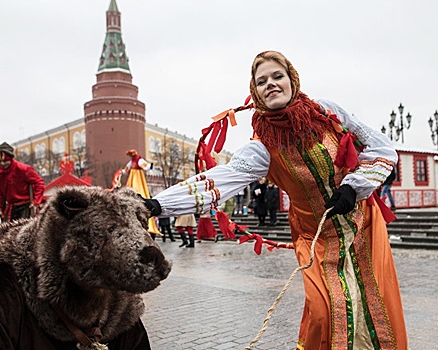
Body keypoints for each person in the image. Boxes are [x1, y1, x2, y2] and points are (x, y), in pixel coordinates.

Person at [144, 51, 406, 349]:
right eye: (262, 81)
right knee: (325, 314)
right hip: (315, 239)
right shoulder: (262, 147)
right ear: (254, 92)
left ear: (292, 80)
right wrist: (157, 205)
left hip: (363, 225)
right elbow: (220, 180)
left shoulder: (327, 112)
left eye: (277, 76)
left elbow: (382, 148)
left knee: (376, 305)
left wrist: (354, 187)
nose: (271, 84)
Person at [0, 142, 45, 222]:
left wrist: (36, 202)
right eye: (0, 161)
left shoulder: (23, 169)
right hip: (11, 207)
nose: (2, 164)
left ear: (10, 159)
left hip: (26, 206)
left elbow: (39, 182)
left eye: (5, 161)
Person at [122, 149, 161, 235]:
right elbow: (126, 170)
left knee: (138, 188)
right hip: (134, 175)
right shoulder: (132, 161)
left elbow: (144, 166)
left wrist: (150, 166)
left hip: (137, 176)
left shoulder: (138, 160)